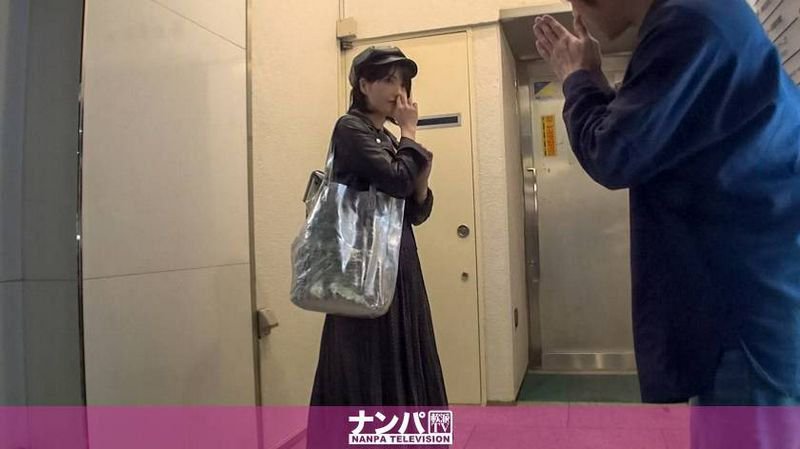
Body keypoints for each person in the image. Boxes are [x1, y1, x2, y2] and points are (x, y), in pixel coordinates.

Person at [534, 0, 800, 446]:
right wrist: (590, 79)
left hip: (744, 319)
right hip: (752, 303)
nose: (578, 14)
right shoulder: (702, 14)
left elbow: (613, 153)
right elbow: (642, 133)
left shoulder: (686, 22)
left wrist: (576, 78)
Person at [309, 46, 448, 408]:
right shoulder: (349, 128)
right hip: (362, 267)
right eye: (388, 80)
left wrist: (422, 181)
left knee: (404, 349)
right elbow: (396, 180)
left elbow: (415, 211)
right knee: (366, 357)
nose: (398, 91)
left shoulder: (387, 138)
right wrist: (410, 132)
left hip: (397, 262)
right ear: (363, 85)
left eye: (402, 82)